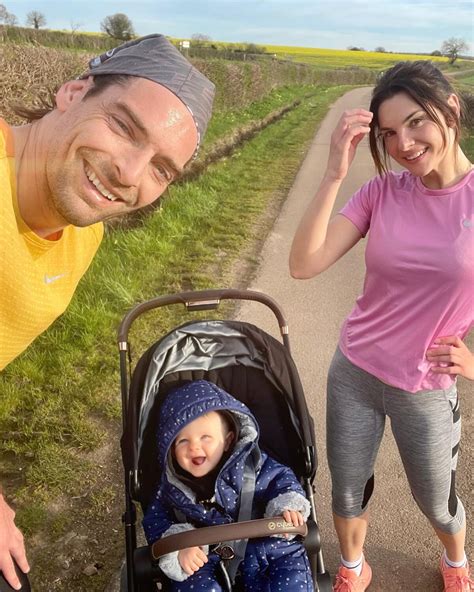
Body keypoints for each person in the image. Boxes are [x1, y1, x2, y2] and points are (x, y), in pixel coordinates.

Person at [0, 34, 215, 590]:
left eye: (162, 169)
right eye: (123, 127)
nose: (129, 173)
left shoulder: (81, 235)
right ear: (73, 92)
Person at [289, 60, 473, 592]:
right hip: (355, 371)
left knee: (436, 499)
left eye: (416, 122)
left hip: (426, 387)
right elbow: (304, 264)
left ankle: (455, 558)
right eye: (389, 133)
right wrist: (333, 174)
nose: (404, 143)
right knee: (346, 490)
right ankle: (352, 566)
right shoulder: (383, 193)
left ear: (451, 108)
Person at [142, 379, 314, 591]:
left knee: (290, 573)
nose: (194, 446)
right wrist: (178, 546)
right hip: (204, 559)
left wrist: (287, 507)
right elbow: (155, 521)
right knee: (191, 582)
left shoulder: (253, 465)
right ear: (170, 449)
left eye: (205, 437)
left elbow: (283, 481)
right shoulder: (169, 488)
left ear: (228, 441)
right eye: (182, 441)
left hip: (267, 546)